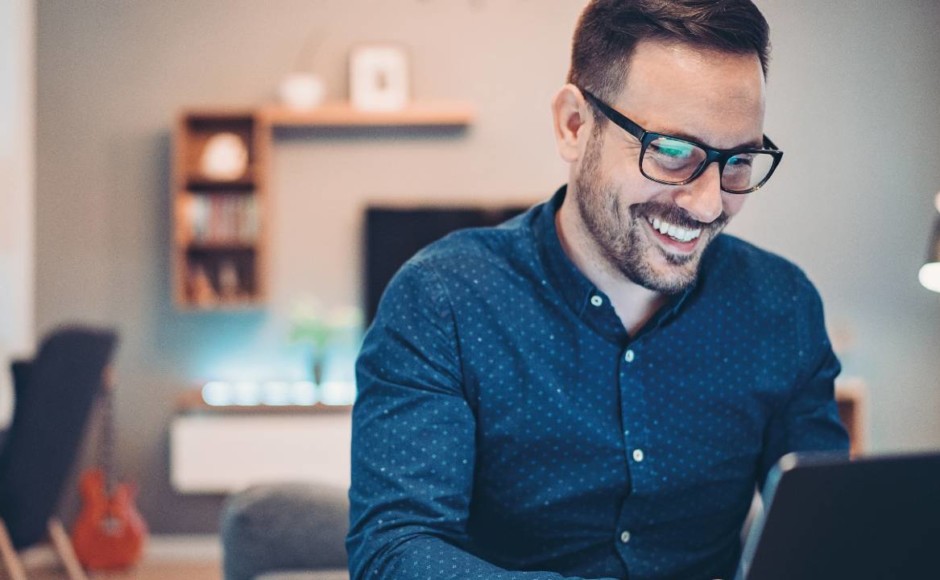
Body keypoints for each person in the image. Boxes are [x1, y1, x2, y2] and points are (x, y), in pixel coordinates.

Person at [347, 1, 849, 578]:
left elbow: (824, 533)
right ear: (574, 125)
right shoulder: (443, 301)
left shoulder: (781, 305)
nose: (710, 202)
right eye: (673, 152)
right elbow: (394, 550)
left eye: (737, 161)